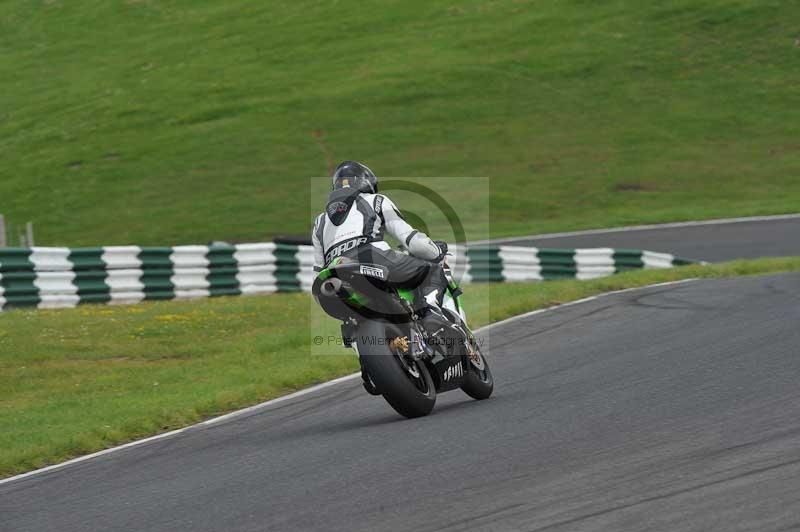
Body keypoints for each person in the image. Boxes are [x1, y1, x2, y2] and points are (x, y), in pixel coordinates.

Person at [311, 160, 449, 319]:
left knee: (351, 322)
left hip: (332, 276)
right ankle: (431, 314)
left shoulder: (319, 222)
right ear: (365, 182)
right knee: (433, 272)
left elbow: (317, 273)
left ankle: (358, 337)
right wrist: (436, 252)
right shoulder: (376, 200)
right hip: (372, 256)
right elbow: (415, 243)